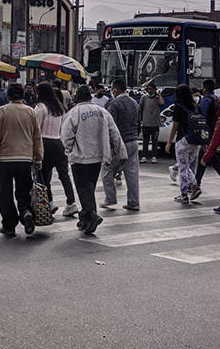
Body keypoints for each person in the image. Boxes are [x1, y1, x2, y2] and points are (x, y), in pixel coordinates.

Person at [61, 85, 126, 235]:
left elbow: (66, 136)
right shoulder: (102, 112)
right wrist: (121, 153)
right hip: (98, 156)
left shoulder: (73, 113)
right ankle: (85, 218)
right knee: (90, 185)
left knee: (83, 187)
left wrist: (68, 150)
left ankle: (91, 215)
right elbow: (114, 133)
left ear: (77, 98)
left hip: (80, 157)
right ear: (90, 97)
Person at [0, 83, 43, 236]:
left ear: (8, 96)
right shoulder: (31, 112)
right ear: (23, 96)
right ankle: (26, 212)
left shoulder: (2, 111)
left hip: (5, 159)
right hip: (25, 159)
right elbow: (37, 137)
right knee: (23, 190)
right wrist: (38, 159)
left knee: (5, 193)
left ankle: (9, 225)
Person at [34, 81, 77, 217]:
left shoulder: (40, 108)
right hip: (58, 143)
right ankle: (71, 202)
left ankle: (49, 202)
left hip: (45, 143)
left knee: (43, 176)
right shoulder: (59, 108)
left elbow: (36, 129)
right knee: (64, 175)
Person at [101, 78, 141, 211]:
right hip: (133, 141)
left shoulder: (114, 103)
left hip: (120, 143)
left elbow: (111, 126)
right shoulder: (134, 102)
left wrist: (112, 144)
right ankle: (134, 202)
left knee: (107, 170)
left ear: (115, 89)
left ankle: (110, 198)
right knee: (132, 173)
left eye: (112, 89)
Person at [165, 84, 202, 203]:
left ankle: (184, 194)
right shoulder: (194, 106)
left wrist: (169, 142)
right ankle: (194, 186)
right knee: (185, 166)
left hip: (183, 140)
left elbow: (175, 126)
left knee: (182, 168)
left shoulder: (178, 107)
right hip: (195, 141)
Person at [195, 79, 220, 189]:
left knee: (210, 157)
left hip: (207, 132)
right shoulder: (216, 98)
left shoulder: (205, 100)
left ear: (204, 88)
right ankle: (196, 182)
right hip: (214, 130)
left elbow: (203, 120)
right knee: (205, 157)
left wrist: (202, 138)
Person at [139, 82, 163, 163]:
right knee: (145, 140)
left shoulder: (156, 98)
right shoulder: (144, 97)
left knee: (154, 140)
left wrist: (159, 95)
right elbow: (140, 108)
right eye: (148, 89)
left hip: (155, 123)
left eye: (151, 89)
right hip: (146, 122)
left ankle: (154, 156)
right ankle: (144, 156)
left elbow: (162, 103)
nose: (150, 91)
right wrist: (141, 118)